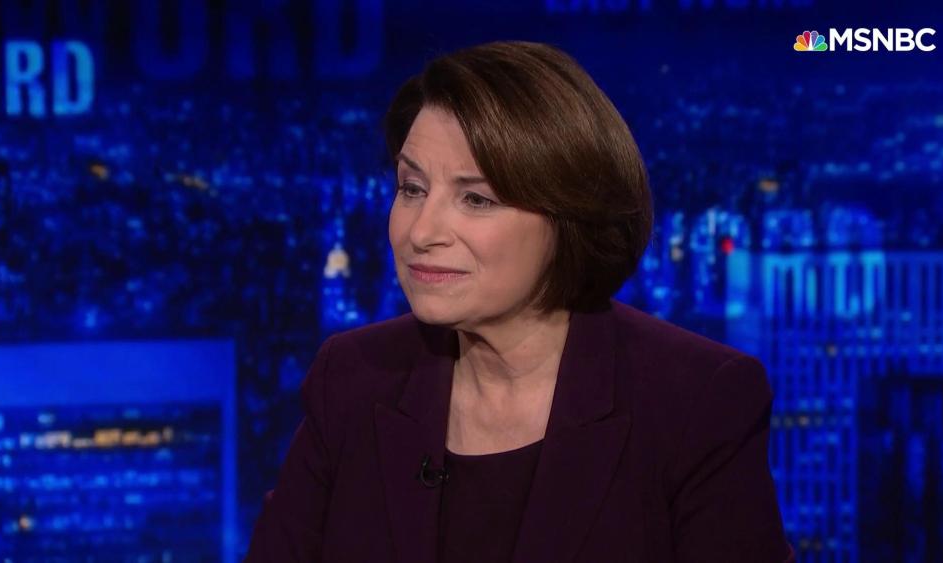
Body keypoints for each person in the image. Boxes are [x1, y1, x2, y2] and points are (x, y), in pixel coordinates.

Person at [246, 40, 794, 562]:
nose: (421, 231)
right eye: (412, 188)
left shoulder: (696, 402)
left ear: (568, 217)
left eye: (476, 198)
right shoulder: (352, 378)